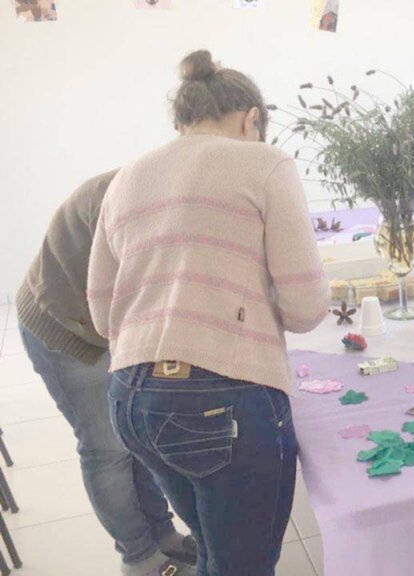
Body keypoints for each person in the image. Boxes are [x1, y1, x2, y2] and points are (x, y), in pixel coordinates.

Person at [88, 50, 330, 576]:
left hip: (131, 398)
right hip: (221, 400)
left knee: (215, 549)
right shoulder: (264, 162)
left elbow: (101, 309)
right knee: (241, 564)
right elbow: (307, 307)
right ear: (251, 120)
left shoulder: (128, 176)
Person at [17, 173, 197, 576]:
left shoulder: (174, 201)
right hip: (63, 330)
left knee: (133, 438)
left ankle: (162, 537)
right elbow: (117, 300)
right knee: (107, 449)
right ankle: (140, 558)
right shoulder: (125, 205)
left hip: (104, 325)